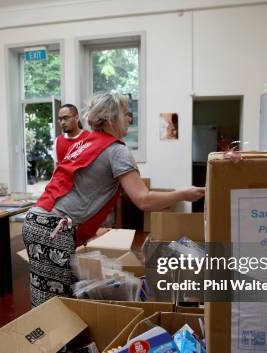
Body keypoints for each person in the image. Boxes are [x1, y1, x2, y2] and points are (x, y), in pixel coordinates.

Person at [23, 93, 205, 307]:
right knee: (57, 308)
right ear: (111, 119)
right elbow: (143, 200)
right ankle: (53, 340)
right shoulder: (117, 151)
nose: (130, 119)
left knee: (47, 302)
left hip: (37, 221)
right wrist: (184, 194)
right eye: (126, 114)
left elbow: (83, 189)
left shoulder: (84, 143)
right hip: (54, 231)